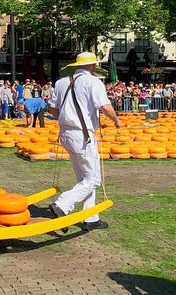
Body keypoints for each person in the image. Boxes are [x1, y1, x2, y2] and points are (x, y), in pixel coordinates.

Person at [47, 52, 121, 231]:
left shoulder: (61, 82)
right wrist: (116, 120)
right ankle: (63, 205)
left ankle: (91, 217)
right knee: (93, 179)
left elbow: (51, 107)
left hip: (65, 133)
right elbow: (104, 106)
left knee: (85, 177)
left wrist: (66, 118)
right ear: (92, 66)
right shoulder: (93, 82)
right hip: (82, 135)